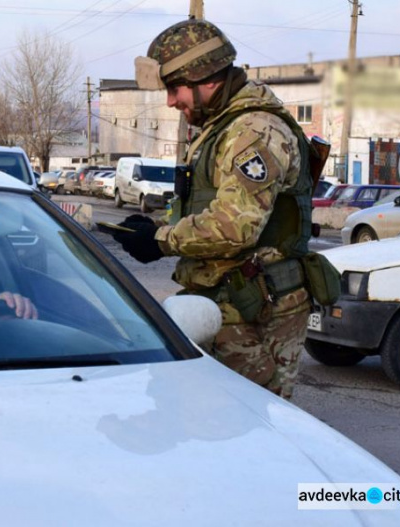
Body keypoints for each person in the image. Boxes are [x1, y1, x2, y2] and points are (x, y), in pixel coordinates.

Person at [114, 19, 314, 400]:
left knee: (245, 427)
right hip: (226, 303)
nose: (171, 101)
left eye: (175, 89)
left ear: (205, 78)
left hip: (255, 311)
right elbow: (209, 205)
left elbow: (236, 227)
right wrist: (153, 225)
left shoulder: (253, 130)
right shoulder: (220, 127)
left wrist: (160, 240)